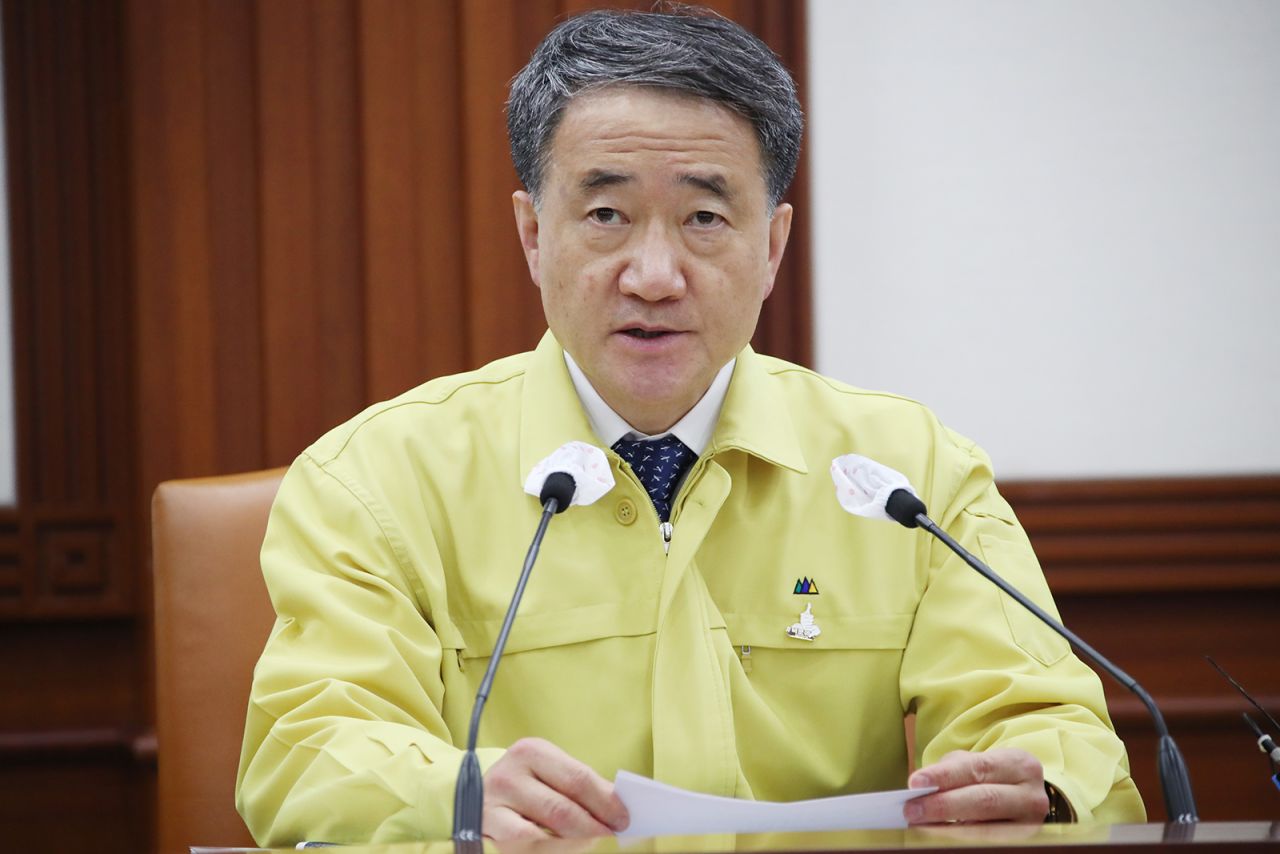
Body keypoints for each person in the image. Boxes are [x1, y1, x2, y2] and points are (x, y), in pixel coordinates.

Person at [235, 6, 1145, 846]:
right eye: (606, 215)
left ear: (773, 247)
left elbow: (1054, 730)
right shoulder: (381, 479)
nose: (655, 274)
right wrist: (459, 793)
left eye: (705, 217)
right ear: (532, 236)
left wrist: (1039, 792)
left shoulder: (908, 474)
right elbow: (305, 753)